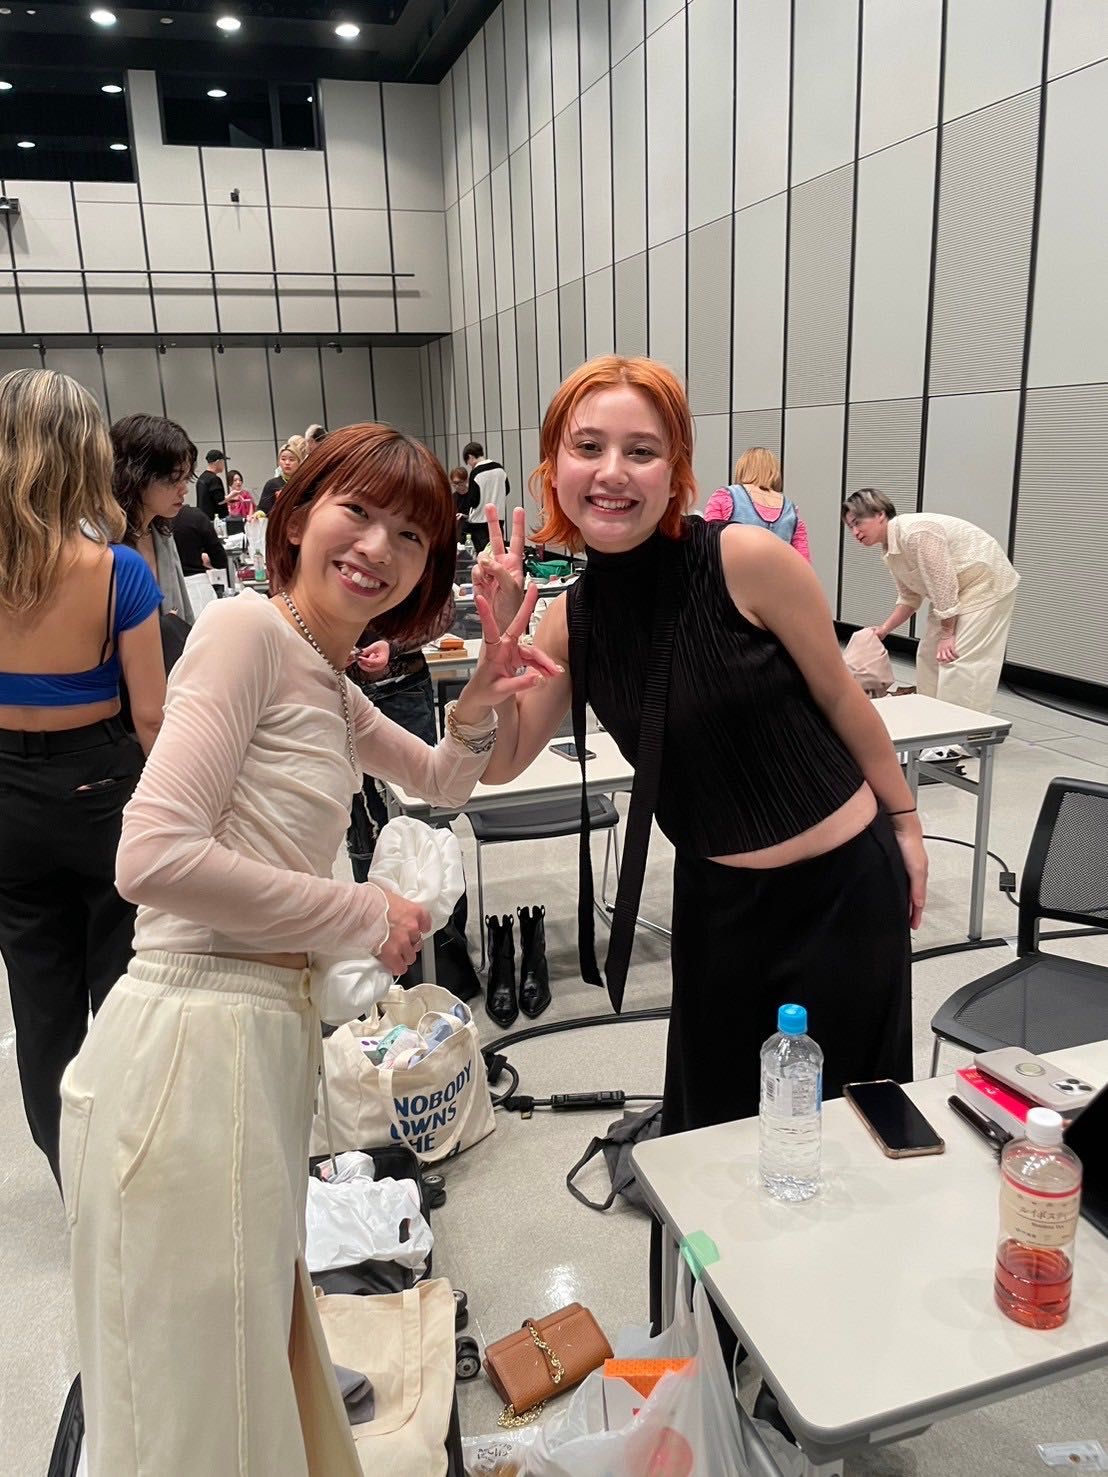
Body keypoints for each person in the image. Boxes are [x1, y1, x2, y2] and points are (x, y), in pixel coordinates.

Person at [58, 422, 557, 1476]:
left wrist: (478, 693)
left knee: (241, 1368)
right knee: (198, 1411)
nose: (379, 547)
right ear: (295, 516)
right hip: (192, 1037)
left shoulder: (324, 672)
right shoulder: (246, 629)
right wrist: (361, 912)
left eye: (412, 535)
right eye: (358, 511)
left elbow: (441, 779)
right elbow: (151, 856)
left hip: (254, 1036)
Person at [474, 356, 926, 1323]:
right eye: (588, 447)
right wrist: (492, 657)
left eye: (642, 451)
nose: (613, 472)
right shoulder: (570, 621)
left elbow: (843, 697)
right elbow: (502, 760)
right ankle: (729, 1345)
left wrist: (905, 820)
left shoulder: (747, 560)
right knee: (712, 1136)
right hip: (721, 910)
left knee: (854, 1131)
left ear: (676, 470)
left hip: (845, 892)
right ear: (553, 467)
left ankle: (853, 1329)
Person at [0, 369, 165, 1183]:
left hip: (6, 792)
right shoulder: (119, 571)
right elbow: (153, 717)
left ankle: (73, 1177)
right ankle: (128, 1174)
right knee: (127, 990)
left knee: (39, 1003)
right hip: (100, 787)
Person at [843, 489, 1020, 714]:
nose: (855, 532)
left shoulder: (916, 533)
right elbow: (909, 597)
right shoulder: (890, 549)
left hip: (985, 584)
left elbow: (943, 583)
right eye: (850, 527)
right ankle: (929, 716)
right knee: (929, 654)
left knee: (958, 659)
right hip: (954, 593)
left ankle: (961, 728)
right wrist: (884, 630)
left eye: (858, 523)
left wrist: (947, 634)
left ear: (879, 514)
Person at [110, 413, 196, 624]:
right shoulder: (99, 543)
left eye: (185, 478)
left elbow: (183, 615)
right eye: (173, 478)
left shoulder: (161, 534)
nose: (184, 489)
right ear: (136, 475)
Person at [704, 446, 811, 561]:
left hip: (732, 570)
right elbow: (803, 561)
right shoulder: (791, 511)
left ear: (742, 469)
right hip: (777, 572)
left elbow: (708, 543)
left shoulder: (724, 496)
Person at [463, 440, 509, 552]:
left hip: (479, 521)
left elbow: (473, 501)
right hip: (498, 517)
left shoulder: (476, 473)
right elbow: (507, 489)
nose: (469, 465)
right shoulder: (499, 468)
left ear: (470, 456)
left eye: (468, 462)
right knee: (498, 552)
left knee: (484, 554)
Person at [172, 498, 231, 579]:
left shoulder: (156, 522)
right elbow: (220, 561)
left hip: (164, 581)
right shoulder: (195, 516)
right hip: (195, 578)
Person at [258, 439, 306, 516]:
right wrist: (259, 514)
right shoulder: (271, 484)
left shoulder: (306, 482)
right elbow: (263, 509)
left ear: (299, 462)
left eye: (291, 459)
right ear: (278, 462)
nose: (287, 463)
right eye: (283, 459)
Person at [195, 448, 226, 521]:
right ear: (218, 462)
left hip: (203, 519)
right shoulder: (214, 479)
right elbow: (220, 501)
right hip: (215, 520)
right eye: (223, 462)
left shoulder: (201, 478)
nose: (223, 465)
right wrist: (231, 496)